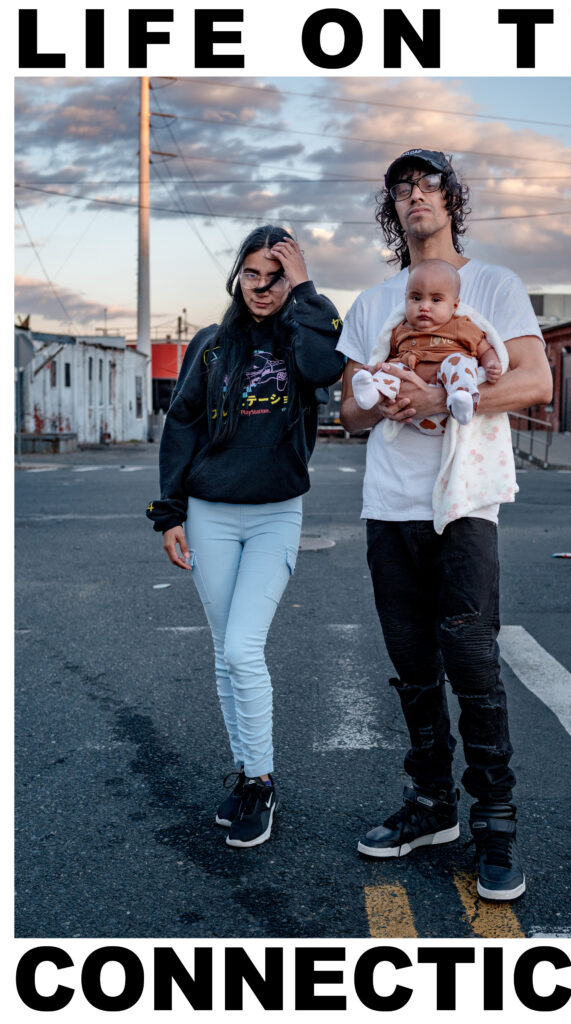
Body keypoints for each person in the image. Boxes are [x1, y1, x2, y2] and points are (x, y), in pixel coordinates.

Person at [337, 149, 552, 900]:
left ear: (451, 200)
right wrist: (385, 395)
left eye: (427, 184)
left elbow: (534, 379)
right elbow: (347, 410)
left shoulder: (493, 285)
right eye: (400, 188)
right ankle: (431, 806)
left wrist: (440, 401)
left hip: (461, 500)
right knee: (411, 663)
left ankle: (494, 823)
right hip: (388, 502)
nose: (413, 196)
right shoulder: (372, 302)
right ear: (391, 211)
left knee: (470, 656)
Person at [146, 225, 344, 849]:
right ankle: (247, 774)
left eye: (276, 276)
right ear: (238, 276)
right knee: (223, 651)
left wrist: (306, 289)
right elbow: (181, 426)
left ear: (293, 281)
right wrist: (168, 512)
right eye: (252, 275)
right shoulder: (210, 345)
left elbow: (324, 371)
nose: (262, 288)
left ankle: (261, 780)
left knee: (241, 649)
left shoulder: (305, 333)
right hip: (208, 512)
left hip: (275, 515)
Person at [351, 259, 502, 426]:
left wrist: (492, 364)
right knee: (393, 369)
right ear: (406, 299)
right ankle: (372, 393)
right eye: (416, 298)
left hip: (445, 383)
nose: (424, 306)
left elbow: (485, 349)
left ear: (454, 305)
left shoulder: (460, 325)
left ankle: (462, 400)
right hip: (410, 398)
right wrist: (379, 370)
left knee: (459, 362)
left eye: (436, 300)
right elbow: (390, 357)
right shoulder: (400, 329)